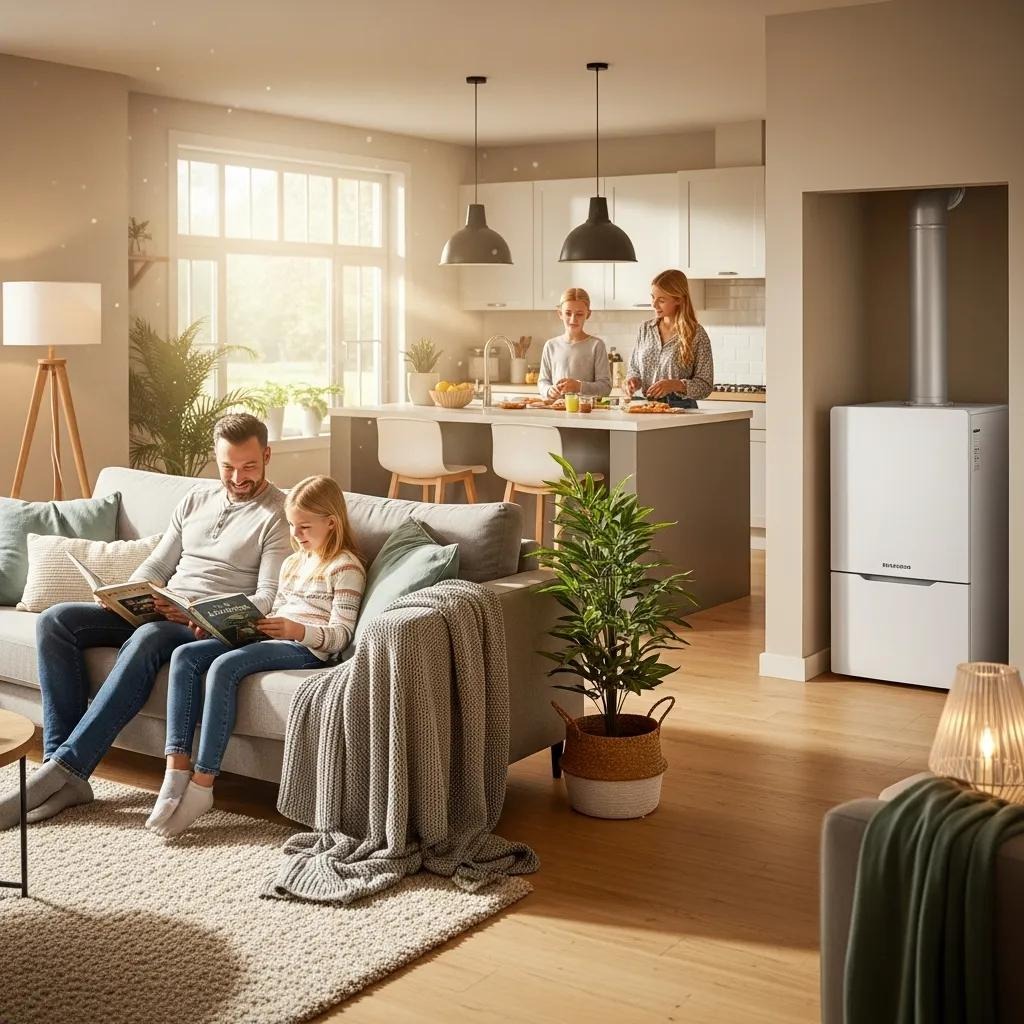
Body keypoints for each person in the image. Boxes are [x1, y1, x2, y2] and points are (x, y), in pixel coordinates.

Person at [0, 414, 291, 831]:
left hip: (201, 625)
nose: (238, 477)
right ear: (216, 458)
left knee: (151, 635)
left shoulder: (277, 515)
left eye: (249, 467)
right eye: (228, 467)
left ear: (266, 455)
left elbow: (266, 597)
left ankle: (66, 769)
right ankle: (59, 765)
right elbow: (159, 563)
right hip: (163, 607)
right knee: (56, 621)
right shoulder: (195, 500)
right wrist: (130, 594)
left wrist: (195, 610)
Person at [147, 475, 366, 838]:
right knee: (186, 655)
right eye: (293, 526)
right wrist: (232, 627)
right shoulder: (294, 563)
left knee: (224, 666)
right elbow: (276, 609)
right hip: (271, 636)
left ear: (332, 522)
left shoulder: (346, 567)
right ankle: (175, 771)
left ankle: (202, 785)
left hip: (306, 649)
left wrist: (298, 631)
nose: (296, 535)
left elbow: (341, 635)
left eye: (305, 527)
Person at [625, 269, 714, 408]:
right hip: (644, 406)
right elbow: (634, 368)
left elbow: (705, 385)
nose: (654, 304)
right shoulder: (645, 329)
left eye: (661, 300)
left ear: (678, 299)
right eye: (652, 297)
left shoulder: (697, 334)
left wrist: (676, 385)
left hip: (680, 409)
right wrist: (633, 380)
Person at [537, 287, 611, 399]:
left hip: (586, 413)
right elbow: (543, 382)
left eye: (579, 314)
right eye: (568, 313)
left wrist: (579, 386)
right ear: (560, 314)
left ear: (588, 314)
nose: (573, 319)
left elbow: (605, 388)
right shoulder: (550, 346)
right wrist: (549, 390)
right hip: (556, 412)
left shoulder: (596, 345)